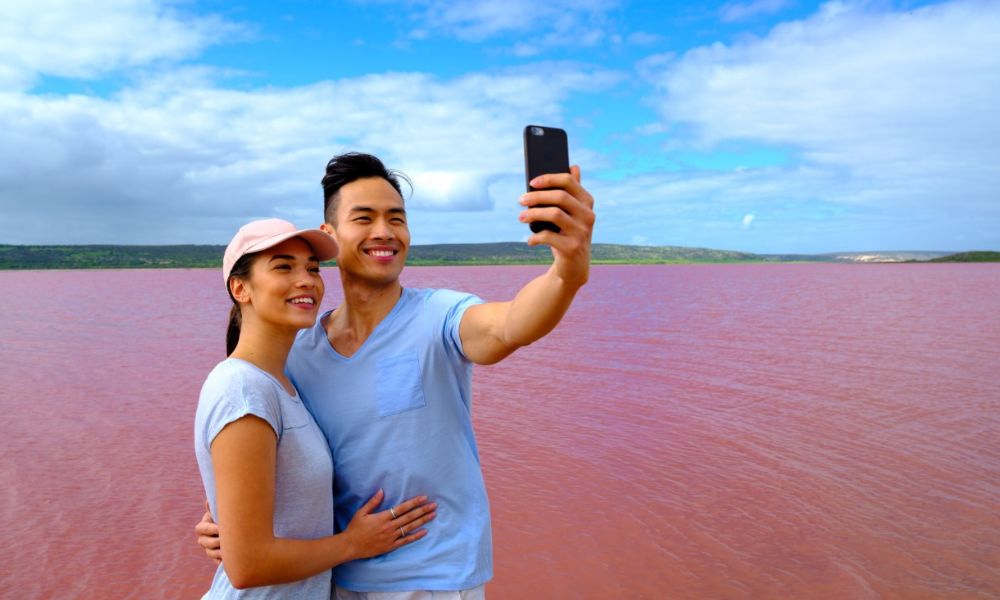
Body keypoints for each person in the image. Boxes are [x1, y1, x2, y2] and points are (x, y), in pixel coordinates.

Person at [197, 153, 595, 598]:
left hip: (432, 581)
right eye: (364, 218)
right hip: (337, 579)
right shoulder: (300, 350)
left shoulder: (440, 316)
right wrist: (227, 523)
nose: (384, 232)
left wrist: (566, 272)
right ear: (330, 235)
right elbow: (262, 449)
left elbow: (510, 324)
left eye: (396, 219)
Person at [194, 218, 437, 598]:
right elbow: (247, 566)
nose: (307, 280)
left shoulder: (283, 383)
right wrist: (354, 544)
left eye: (312, 268)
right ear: (240, 288)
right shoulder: (243, 389)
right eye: (283, 266)